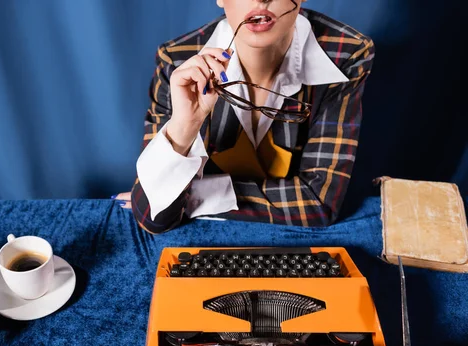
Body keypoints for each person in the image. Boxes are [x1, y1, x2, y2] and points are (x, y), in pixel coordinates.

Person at [124, 0, 374, 234]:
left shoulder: (345, 54)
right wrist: (185, 126)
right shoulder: (178, 61)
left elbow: (319, 204)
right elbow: (151, 216)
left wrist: (190, 197)